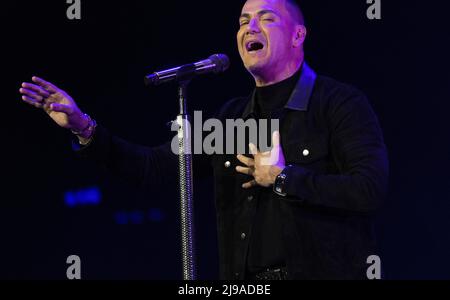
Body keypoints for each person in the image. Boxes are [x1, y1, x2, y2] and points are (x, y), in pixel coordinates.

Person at [19, 0, 389, 280]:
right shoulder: (230, 120)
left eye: (266, 18)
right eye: (243, 22)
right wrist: (84, 126)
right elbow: (155, 168)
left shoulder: (338, 104)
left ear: (298, 35)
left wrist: (283, 178)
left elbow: (370, 188)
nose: (250, 28)